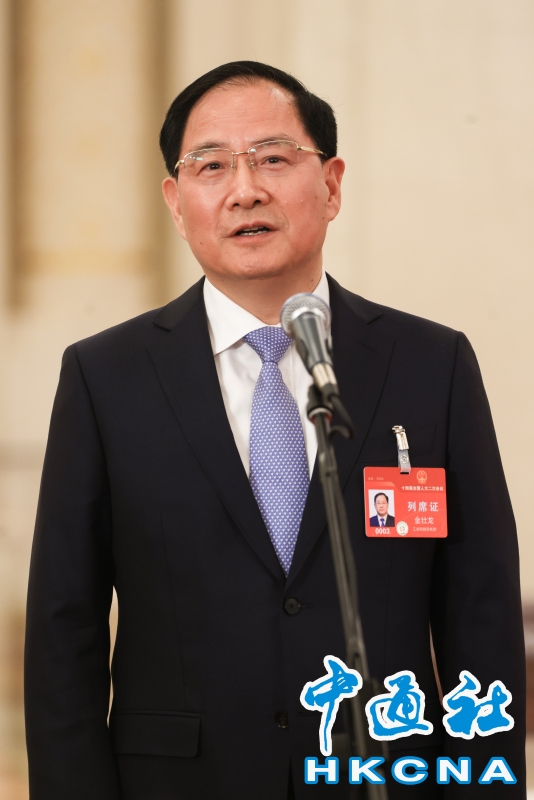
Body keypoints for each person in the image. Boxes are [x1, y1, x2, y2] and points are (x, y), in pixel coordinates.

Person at [24, 61, 525, 800]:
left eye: (273, 158)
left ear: (332, 185)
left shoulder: (431, 365)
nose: (244, 189)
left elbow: (480, 613)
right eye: (211, 166)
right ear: (176, 202)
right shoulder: (107, 378)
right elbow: (63, 630)